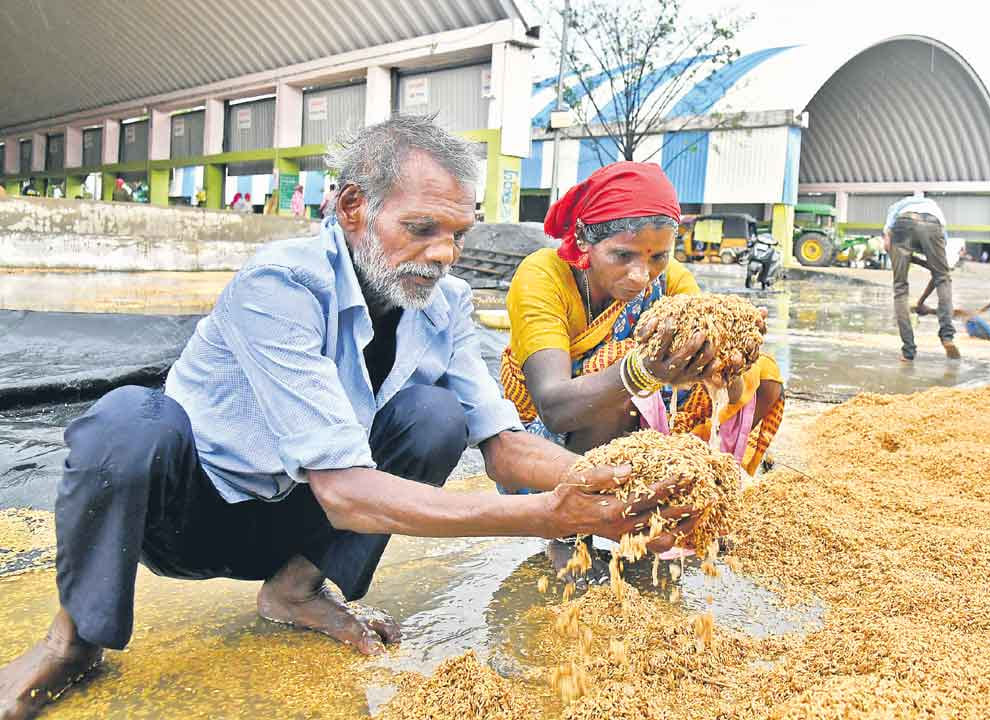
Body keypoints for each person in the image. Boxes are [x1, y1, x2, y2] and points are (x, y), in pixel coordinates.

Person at [0, 115, 700, 720]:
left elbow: (505, 445)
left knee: (433, 417)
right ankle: (72, 639)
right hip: (194, 516)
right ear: (353, 208)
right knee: (127, 420)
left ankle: (297, 589)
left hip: (300, 521)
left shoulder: (444, 305)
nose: (443, 255)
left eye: (457, 233)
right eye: (421, 229)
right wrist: (549, 514)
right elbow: (344, 489)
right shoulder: (280, 284)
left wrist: (627, 489)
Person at [502, 161, 786, 477]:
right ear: (583, 237)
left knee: (765, 376)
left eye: (658, 257)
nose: (641, 276)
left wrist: (733, 350)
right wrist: (642, 371)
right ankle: (580, 514)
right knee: (623, 391)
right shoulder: (543, 275)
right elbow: (554, 408)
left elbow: (728, 393)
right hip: (548, 445)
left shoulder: (671, 279)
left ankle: (683, 485)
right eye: (623, 256)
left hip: (642, 420)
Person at [883, 195, 961, 361]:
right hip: (932, 224)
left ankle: (908, 351)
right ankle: (947, 336)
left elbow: (889, 225)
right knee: (943, 279)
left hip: (901, 225)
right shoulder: (934, 209)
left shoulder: (899, 205)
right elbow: (939, 275)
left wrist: (920, 302)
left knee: (900, 289)